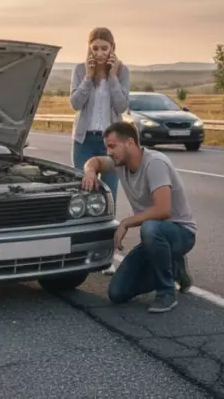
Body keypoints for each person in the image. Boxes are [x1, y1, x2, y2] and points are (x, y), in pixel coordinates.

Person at [81, 121, 196, 313]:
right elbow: (94, 161)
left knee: (149, 228)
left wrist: (125, 222)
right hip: (154, 238)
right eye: (107, 147)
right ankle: (174, 267)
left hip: (179, 233)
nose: (109, 152)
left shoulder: (154, 163)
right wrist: (90, 173)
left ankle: (166, 292)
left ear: (130, 143)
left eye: (112, 146)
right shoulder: (120, 163)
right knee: (117, 293)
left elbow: (163, 210)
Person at [69, 27, 130, 203]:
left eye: (104, 48)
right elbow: (75, 104)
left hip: (111, 143)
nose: (99, 53)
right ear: (89, 48)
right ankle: (83, 229)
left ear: (113, 47)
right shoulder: (80, 70)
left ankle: (107, 230)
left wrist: (112, 77)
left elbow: (121, 106)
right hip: (84, 140)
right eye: (95, 48)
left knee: (109, 193)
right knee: (83, 190)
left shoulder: (122, 72)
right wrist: (88, 77)